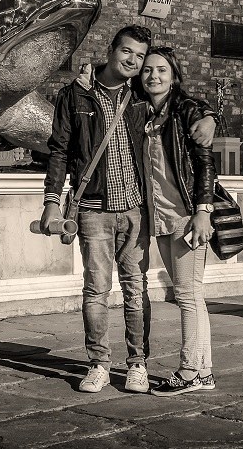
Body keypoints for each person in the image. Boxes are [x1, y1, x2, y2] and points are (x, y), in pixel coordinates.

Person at [38, 26, 215, 395]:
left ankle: (139, 364)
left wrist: (211, 116)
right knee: (96, 290)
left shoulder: (138, 94)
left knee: (139, 291)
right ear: (112, 50)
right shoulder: (77, 93)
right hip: (93, 210)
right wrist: (52, 202)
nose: (136, 63)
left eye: (142, 57)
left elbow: (182, 102)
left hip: (137, 210)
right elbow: (58, 150)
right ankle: (99, 364)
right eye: (128, 53)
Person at [135, 46, 220, 397]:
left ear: (174, 77)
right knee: (190, 294)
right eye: (147, 70)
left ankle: (190, 371)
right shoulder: (140, 111)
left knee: (187, 295)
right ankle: (204, 371)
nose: (153, 76)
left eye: (162, 71)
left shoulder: (187, 109)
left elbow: (205, 164)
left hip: (186, 214)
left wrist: (203, 210)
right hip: (160, 215)